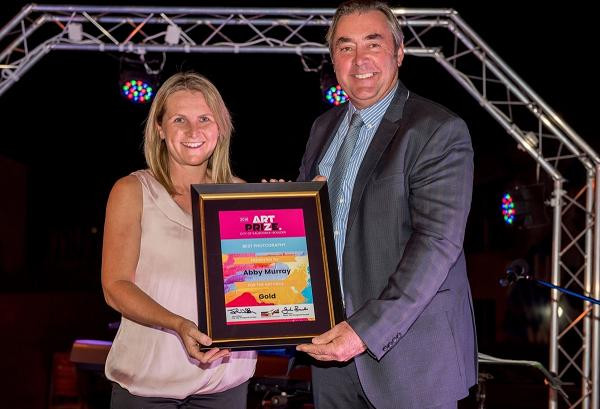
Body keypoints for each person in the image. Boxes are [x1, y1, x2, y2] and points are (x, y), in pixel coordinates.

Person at [295, 1, 477, 408]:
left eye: (373, 44)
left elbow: (436, 244)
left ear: (399, 52)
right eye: (345, 47)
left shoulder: (437, 130)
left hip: (411, 360)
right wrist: (281, 214)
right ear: (333, 60)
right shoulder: (323, 128)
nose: (359, 60)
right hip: (330, 353)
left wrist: (364, 330)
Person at [101, 71, 256, 408]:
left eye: (204, 119)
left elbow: (265, 279)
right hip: (146, 390)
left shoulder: (242, 195)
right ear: (159, 128)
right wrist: (177, 324)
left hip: (224, 387)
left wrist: (288, 211)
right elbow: (115, 287)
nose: (193, 131)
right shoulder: (132, 191)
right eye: (179, 119)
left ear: (221, 127)